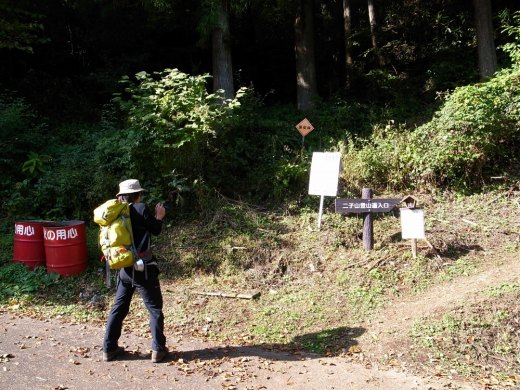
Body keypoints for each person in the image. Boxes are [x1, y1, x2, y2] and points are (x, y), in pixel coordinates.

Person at [102, 179, 168, 363]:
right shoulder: (140, 208)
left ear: (121, 195)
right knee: (155, 308)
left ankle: (109, 348)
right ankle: (158, 350)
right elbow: (156, 230)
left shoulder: (115, 213)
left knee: (119, 307)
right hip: (143, 267)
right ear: (138, 194)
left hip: (124, 267)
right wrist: (159, 216)